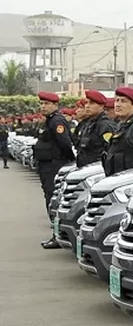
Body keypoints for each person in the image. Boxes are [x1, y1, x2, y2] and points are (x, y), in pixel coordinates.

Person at [35, 91, 76, 249]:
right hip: (47, 165)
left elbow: (65, 143)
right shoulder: (49, 121)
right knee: (50, 198)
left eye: (46, 104)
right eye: (41, 103)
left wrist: (70, 160)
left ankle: (58, 235)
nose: (43, 106)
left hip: (54, 165)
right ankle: (57, 233)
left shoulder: (57, 121)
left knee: (53, 199)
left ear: (55, 105)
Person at [76, 90, 117, 168]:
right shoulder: (88, 124)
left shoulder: (105, 125)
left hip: (97, 170)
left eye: (91, 103)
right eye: (86, 103)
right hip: (85, 169)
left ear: (101, 106)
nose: (87, 106)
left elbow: (110, 151)